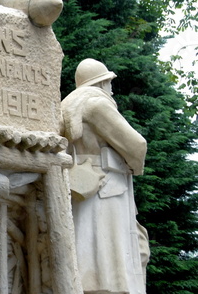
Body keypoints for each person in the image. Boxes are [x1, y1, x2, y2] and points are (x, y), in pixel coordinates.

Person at [60, 59, 150, 294]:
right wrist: (134, 166)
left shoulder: (68, 106)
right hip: (108, 187)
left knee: (90, 248)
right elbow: (136, 145)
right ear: (102, 83)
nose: (111, 88)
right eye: (109, 82)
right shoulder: (96, 104)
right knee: (110, 257)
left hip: (84, 185)